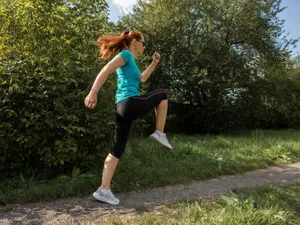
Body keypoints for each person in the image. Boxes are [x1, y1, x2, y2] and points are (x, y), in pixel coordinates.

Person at [84, 30, 172, 205]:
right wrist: (93, 92)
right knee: (162, 94)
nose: (144, 46)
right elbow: (106, 69)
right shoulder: (125, 54)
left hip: (122, 108)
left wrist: (154, 63)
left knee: (117, 149)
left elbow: (143, 79)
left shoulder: (131, 61)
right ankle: (159, 132)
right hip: (129, 102)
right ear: (134, 42)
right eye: (143, 42)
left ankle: (104, 190)